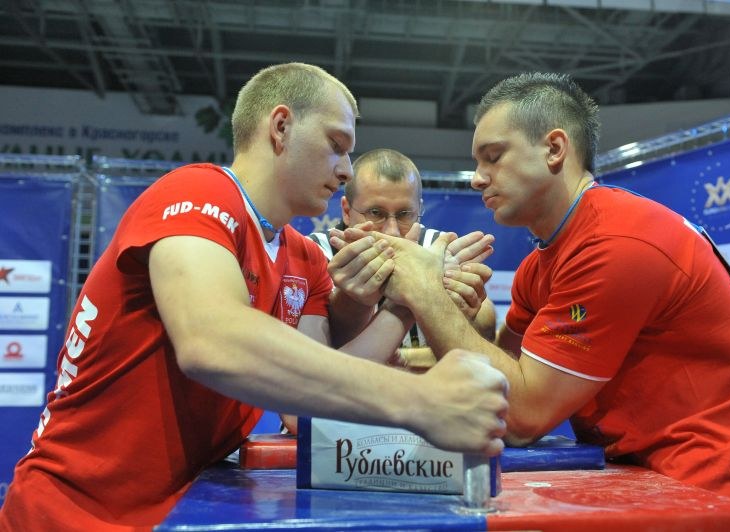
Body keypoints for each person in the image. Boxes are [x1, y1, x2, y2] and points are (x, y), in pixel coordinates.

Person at [0, 63, 509, 530]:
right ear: (281, 127)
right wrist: (423, 400)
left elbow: (303, 409)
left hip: (175, 510)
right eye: (337, 144)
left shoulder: (304, 259)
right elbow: (212, 342)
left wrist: (408, 299)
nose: (348, 169)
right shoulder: (197, 193)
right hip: (71, 511)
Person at [333, 72, 730, 531]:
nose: (476, 179)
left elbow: (521, 416)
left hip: (708, 501)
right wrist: (445, 316)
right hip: (639, 487)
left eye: (493, 157)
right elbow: (502, 374)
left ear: (554, 149)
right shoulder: (545, 260)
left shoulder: (616, 243)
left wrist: (423, 291)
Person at [309, 148, 497, 367]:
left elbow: (485, 327)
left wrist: (466, 306)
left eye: (404, 214)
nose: (392, 231)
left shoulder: (437, 248)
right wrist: (423, 290)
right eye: (376, 213)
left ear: (419, 209)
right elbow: (310, 356)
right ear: (346, 211)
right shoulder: (314, 253)